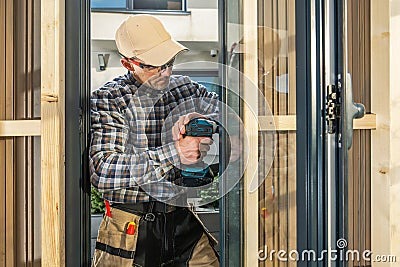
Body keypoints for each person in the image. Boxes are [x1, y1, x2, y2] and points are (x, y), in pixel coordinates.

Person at [89, 14, 220, 267]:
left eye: (169, 62)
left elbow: (230, 111)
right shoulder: (110, 99)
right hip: (128, 228)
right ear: (128, 64)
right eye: (153, 65)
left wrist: (203, 118)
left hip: (182, 221)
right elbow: (103, 171)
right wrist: (175, 152)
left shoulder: (185, 88)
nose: (165, 71)